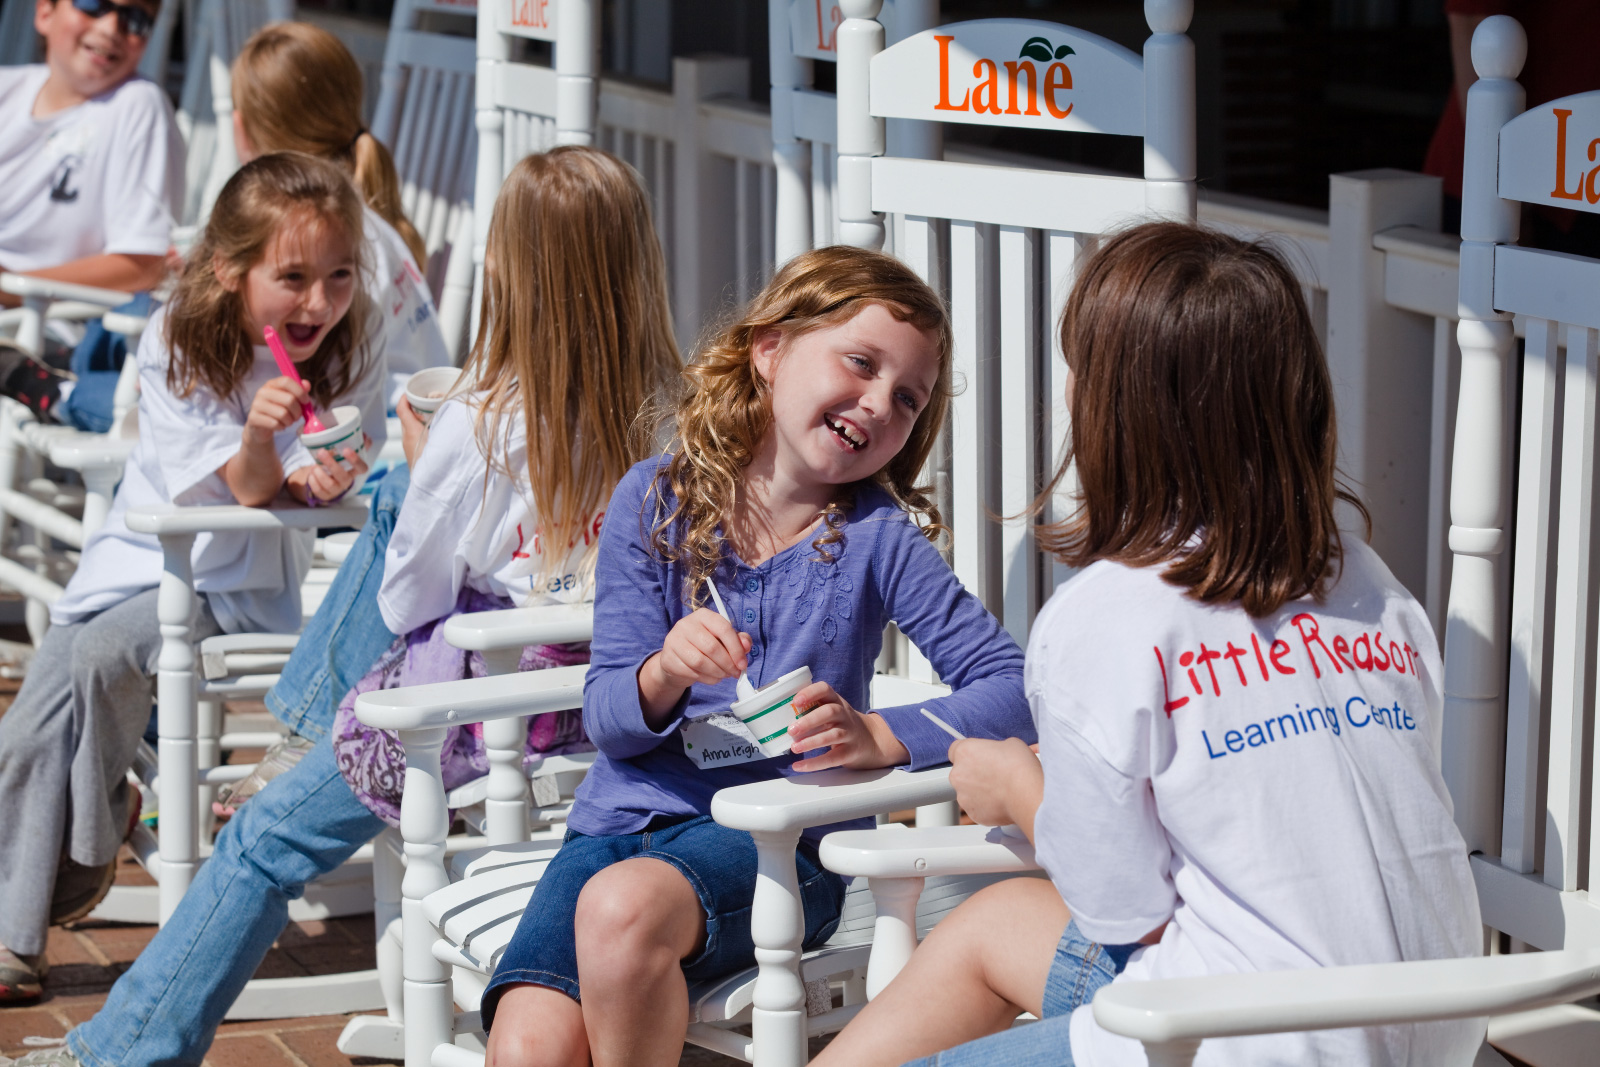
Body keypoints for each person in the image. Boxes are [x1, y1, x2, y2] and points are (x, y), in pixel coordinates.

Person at [11, 145, 678, 1067]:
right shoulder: (680, 413)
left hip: (478, 709)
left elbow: (410, 595)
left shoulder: (484, 421)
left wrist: (418, 460)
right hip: (614, 703)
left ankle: (117, 1055)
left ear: (511, 272)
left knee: (259, 841)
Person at [810, 223, 1483, 1067]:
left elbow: (1122, 908)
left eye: (1081, 371)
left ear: (1118, 409)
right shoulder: (1369, 583)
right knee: (992, 924)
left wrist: (1024, 790)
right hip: (1436, 1014)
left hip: (1259, 1040)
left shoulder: (1109, 616)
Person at [482, 244, 1034, 1067]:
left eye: (909, 398)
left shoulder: (878, 538)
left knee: (619, 911)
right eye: (860, 362)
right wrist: (665, 671)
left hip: (781, 850)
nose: (880, 401)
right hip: (617, 826)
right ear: (769, 350)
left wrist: (879, 737)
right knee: (527, 1048)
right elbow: (610, 723)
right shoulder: (654, 500)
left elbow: (1015, 689)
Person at [0, 151, 385, 1004]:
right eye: (292, 277)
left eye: (338, 275)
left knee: (102, 658)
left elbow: (319, 477)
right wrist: (263, 450)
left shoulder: (350, 346)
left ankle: (81, 855)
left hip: (232, 590)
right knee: (28, 729)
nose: (319, 302)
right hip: (142, 558)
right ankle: (21, 931)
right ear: (229, 269)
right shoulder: (177, 335)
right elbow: (231, 486)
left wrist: (328, 479)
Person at [2, 21, 448, 429]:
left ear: (243, 131)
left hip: (350, 430)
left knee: (161, 391)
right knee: (150, 337)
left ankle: (64, 390)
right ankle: (72, 372)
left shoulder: (338, 237)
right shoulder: (359, 224)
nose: (319, 296)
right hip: (369, 417)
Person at [0, 0, 184, 428]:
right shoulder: (8, 90)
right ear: (44, 12)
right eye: (93, 4)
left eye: (135, 19)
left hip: (51, 330)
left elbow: (143, 265)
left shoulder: (137, 106)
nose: (111, 27)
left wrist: (10, 288)